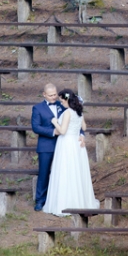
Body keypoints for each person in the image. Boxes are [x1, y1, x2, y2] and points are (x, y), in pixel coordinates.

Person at [43, 88, 100, 217]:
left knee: (66, 171)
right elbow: (84, 127)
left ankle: (66, 203)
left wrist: (54, 122)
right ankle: (80, 201)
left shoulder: (68, 112)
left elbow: (62, 131)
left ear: (67, 99)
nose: (61, 102)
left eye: (62, 100)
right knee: (76, 171)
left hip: (67, 144)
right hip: (76, 144)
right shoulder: (78, 111)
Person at [31, 82, 65, 211]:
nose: (53, 97)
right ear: (44, 95)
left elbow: (74, 117)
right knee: (44, 173)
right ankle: (40, 200)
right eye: (50, 95)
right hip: (46, 145)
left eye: (55, 94)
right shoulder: (37, 108)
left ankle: (60, 199)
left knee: (63, 172)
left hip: (63, 144)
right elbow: (36, 127)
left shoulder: (62, 104)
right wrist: (52, 132)